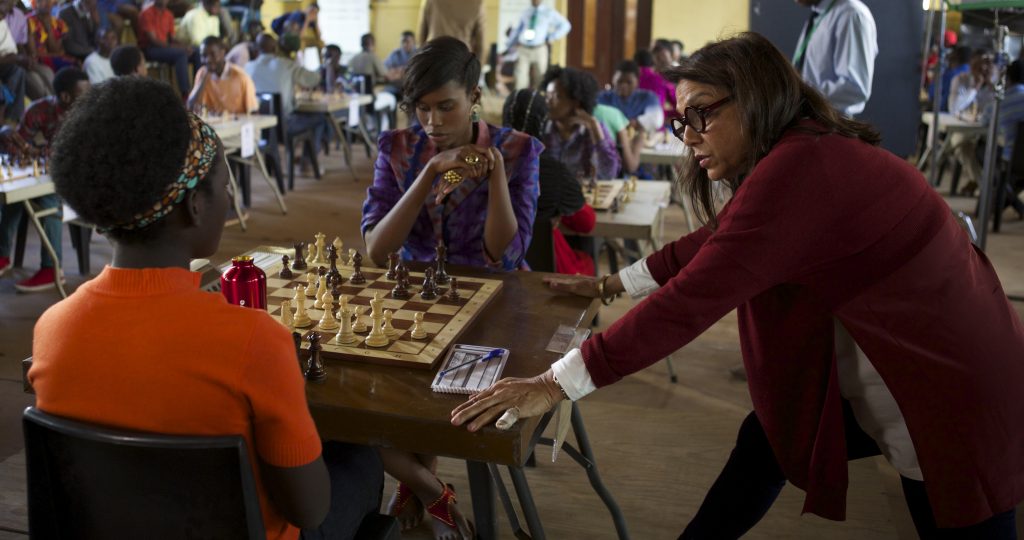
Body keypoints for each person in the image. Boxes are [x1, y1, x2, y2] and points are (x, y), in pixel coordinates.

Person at [452, 32, 1024, 539]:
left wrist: (555, 383)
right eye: (683, 121)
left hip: (948, 385)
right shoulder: (801, 152)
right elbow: (715, 243)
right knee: (768, 439)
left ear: (755, 99)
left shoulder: (799, 169)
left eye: (703, 114)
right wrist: (608, 286)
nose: (689, 137)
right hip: (923, 364)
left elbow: (691, 301)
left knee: (957, 514)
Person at [31, 76, 385, 540]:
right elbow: (309, 508)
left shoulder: (52, 329)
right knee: (363, 458)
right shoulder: (256, 340)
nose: (229, 200)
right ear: (195, 206)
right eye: (224, 187)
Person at [363, 39, 540, 539]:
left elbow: (503, 257)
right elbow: (377, 251)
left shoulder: (519, 148)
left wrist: (498, 174)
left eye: (447, 106)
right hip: (415, 303)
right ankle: (427, 485)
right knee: (352, 404)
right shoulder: (397, 148)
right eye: (422, 109)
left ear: (475, 95)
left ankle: (422, 481)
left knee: (452, 401)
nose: (433, 122)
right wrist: (425, 176)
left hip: (498, 308)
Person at [0, 67, 89, 293]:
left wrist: (36, 151)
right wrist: (7, 135)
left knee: (46, 196)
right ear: (65, 97)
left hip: (84, 179)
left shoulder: (89, 115)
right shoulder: (40, 110)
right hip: (51, 174)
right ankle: (3, 254)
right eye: (83, 94)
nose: (88, 98)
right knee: (15, 195)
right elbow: (19, 145)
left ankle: (51, 268)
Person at [504, 88, 594, 275]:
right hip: (546, 274)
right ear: (543, 122)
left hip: (496, 269)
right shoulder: (552, 172)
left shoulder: (483, 162)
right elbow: (587, 223)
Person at [244, 33, 326, 158]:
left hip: (257, 126)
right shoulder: (286, 64)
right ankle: (307, 162)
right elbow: (313, 79)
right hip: (284, 125)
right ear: (275, 49)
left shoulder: (247, 67)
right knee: (320, 118)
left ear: (256, 49)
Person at [793, 0, 877, 117]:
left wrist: (802, 98)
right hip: (810, 122)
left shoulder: (851, 14)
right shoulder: (819, 14)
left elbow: (855, 87)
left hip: (829, 127)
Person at [541, 65, 620, 180]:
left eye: (556, 96)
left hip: (580, 196)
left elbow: (609, 174)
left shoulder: (594, 128)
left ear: (576, 102)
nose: (549, 101)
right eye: (547, 95)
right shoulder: (542, 128)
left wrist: (595, 128)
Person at [947, 49, 995, 196]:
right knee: (961, 145)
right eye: (980, 64)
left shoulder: (995, 87)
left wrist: (991, 86)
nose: (984, 68)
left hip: (984, 133)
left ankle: (977, 182)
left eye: (988, 64)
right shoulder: (960, 80)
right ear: (971, 64)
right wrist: (975, 88)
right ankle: (985, 187)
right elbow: (953, 108)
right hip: (961, 130)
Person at [505, 0, 571, 91]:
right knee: (520, 79)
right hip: (524, 49)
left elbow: (565, 25)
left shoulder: (549, 12)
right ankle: (520, 101)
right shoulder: (526, 12)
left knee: (540, 79)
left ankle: (538, 102)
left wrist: (551, 37)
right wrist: (509, 44)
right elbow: (518, 30)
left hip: (539, 49)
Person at [187, 36, 257, 115]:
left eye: (212, 54)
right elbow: (191, 107)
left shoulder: (241, 76)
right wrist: (205, 77)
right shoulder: (202, 73)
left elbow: (253, 112)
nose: (208, 60)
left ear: (223, 53)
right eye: (204, 55)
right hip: (212, 126)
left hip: (236, 125)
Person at [136, 0, 192, 95]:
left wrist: (185, 46)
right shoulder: (146, 13)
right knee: (181, 54)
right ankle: (185, 94)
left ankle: (197, 89)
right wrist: (177, 48)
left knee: (195, 51)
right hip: (149, 49)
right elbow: (153, 41)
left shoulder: (169, 14)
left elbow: (172, 38)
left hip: (165, 48)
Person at [2, 0, 53, 99]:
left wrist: (27, 59)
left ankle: (53, 103)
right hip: (8, 62)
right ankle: (45, 105)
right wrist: (18, 59)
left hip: (17, 59)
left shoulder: (19, 15)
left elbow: (20, 44)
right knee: (35, 82)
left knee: (47, 72)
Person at [598, 60, 664, 135]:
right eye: (619, 81)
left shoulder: (648, 97)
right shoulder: (602, 97)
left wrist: (621, 124)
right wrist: (635, 124)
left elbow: (656, 120)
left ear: (637, 82)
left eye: (629, 82)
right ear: (613, 80)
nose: (623, 86)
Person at [418, 0, 485, 60]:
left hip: (433, 56)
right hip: (461, 60)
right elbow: (480, 44)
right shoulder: (477, 2)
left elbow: (422, 33)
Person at [0, 1, 27, 122]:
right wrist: (17, 58)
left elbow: (10, 50)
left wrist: (20, 58)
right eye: (1, 13)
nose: (3, 16)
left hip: (3, 64)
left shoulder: (2, 23)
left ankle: (12, 118)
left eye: (5, 14)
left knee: (17, 71)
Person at [634, 48, 676, 122]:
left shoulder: (629, 80)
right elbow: (678, 106)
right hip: (656, 126)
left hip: (629, 125)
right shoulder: (662, 80)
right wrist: (662, 113)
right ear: (653, 62)